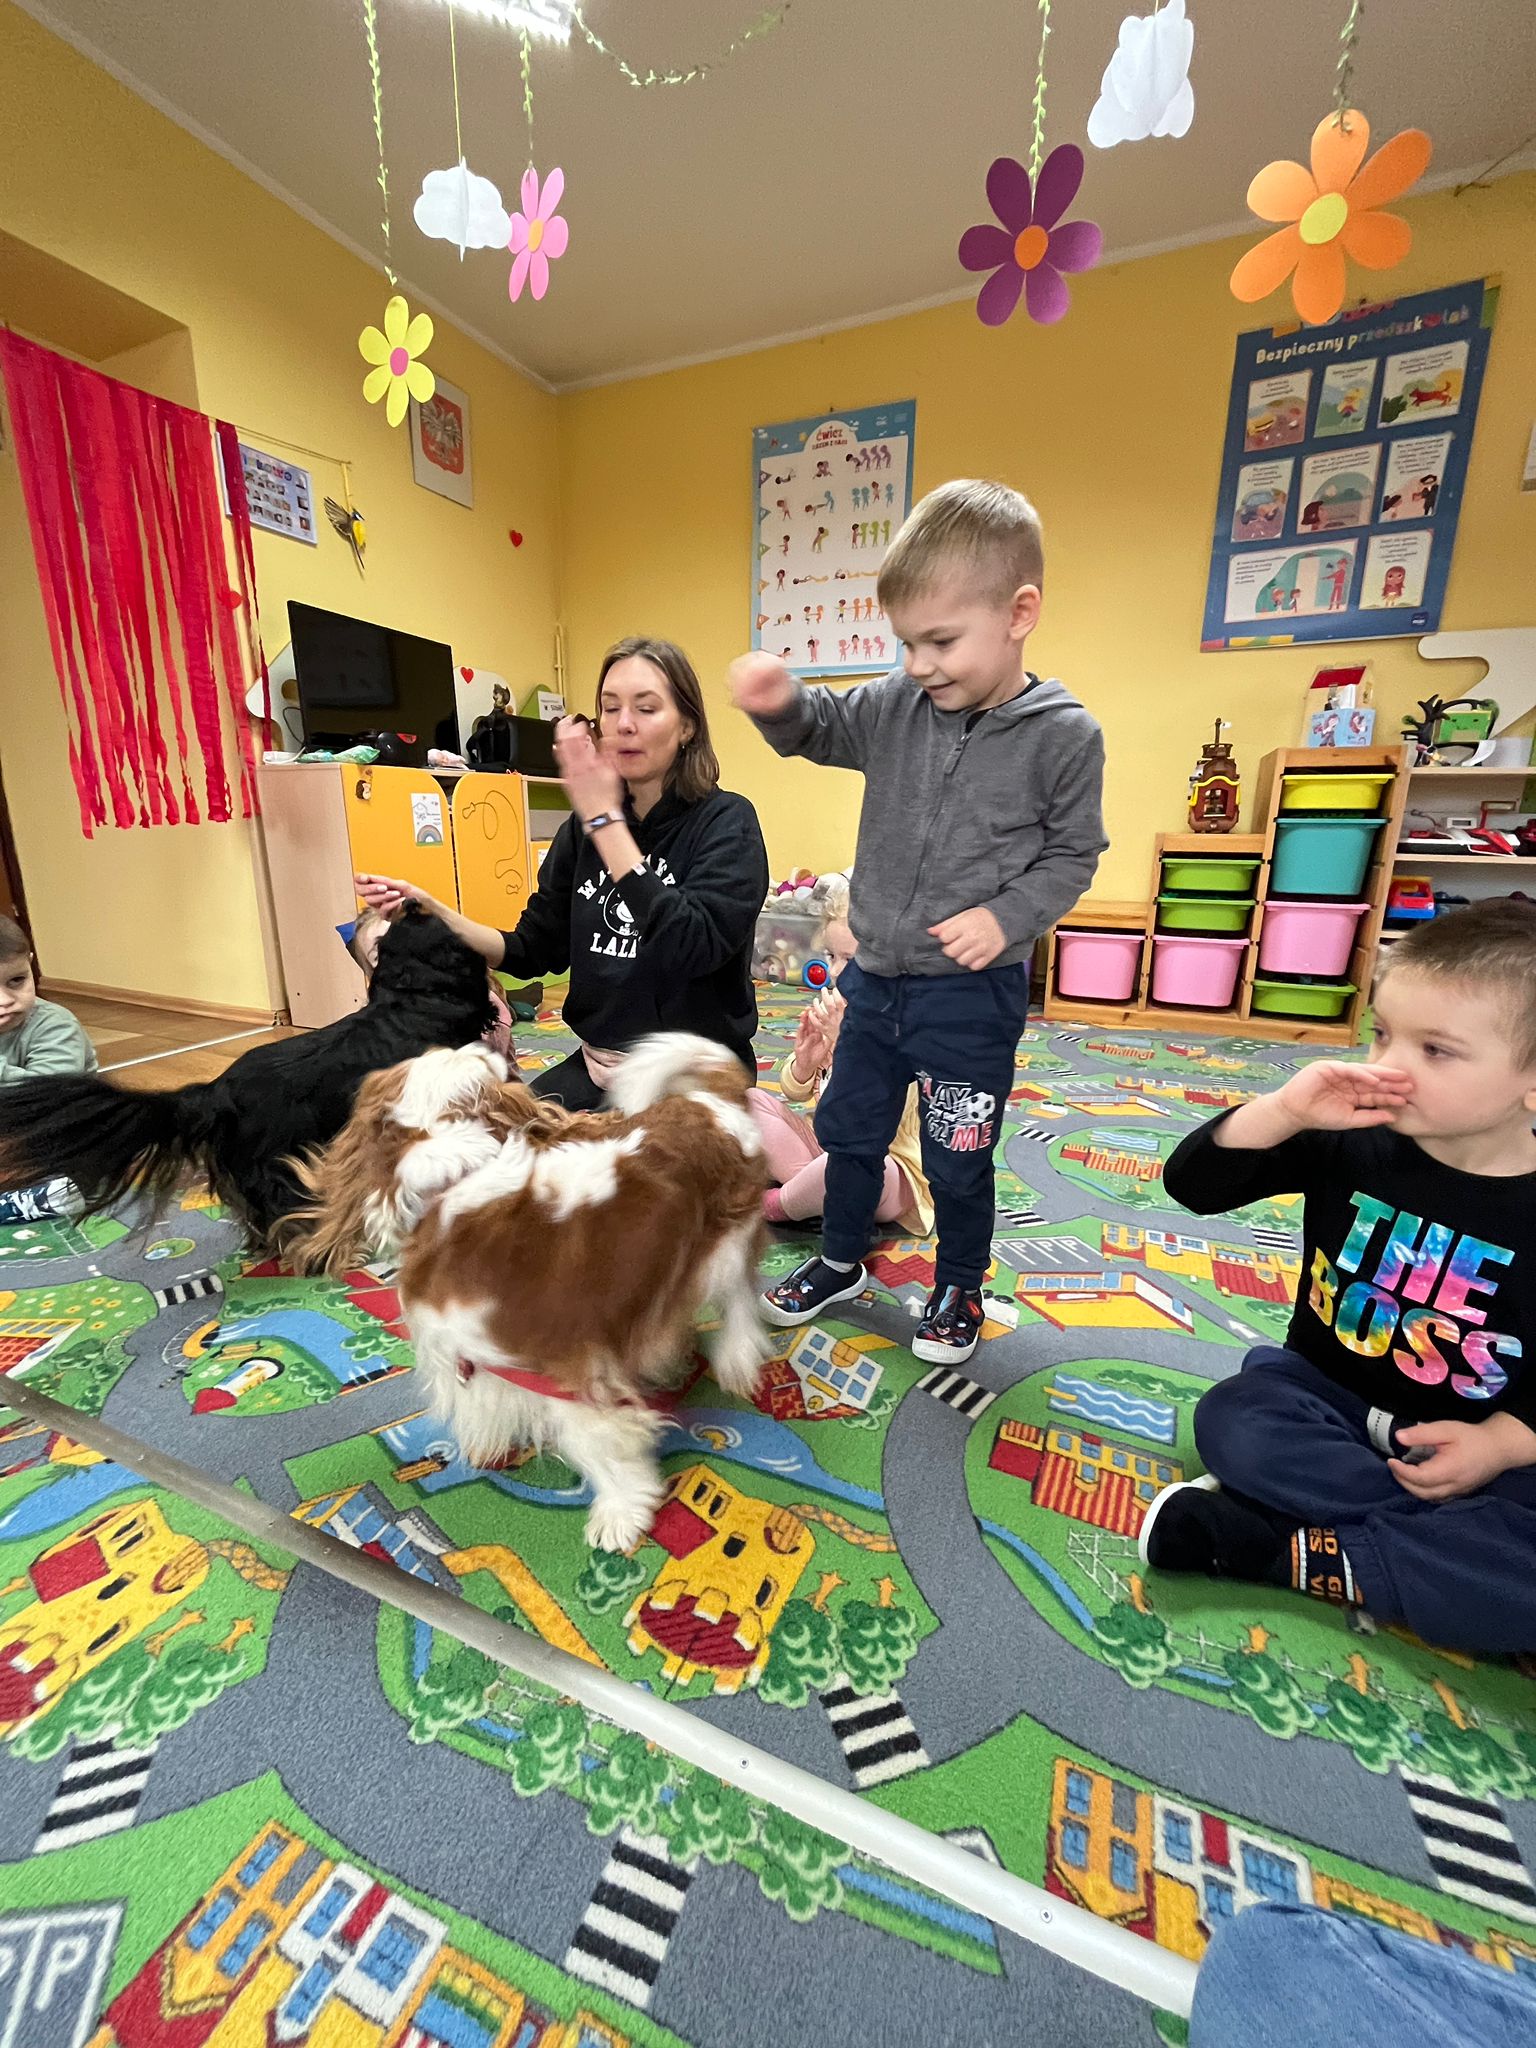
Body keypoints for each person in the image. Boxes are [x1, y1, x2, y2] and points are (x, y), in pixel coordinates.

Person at [731, 478, 1107, 1364]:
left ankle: (959, 1284)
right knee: (851, 1132)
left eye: (941, 641)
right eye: (906, 643)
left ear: (1019, 614)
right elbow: (823, 726)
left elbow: (1073, 855)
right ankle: (839, 1260)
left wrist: (1007, 918)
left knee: (957, 1153)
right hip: (875, 981)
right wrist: (781, 702)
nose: (920, 664)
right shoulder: (898, 703)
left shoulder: (1064, 735)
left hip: (971, 996)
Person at [1142, 900, 1536, 1655]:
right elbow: (1194, 1185)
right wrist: (1283, 1111)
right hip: (1324, 1399)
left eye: (1436, 1050)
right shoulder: (1350, 1138)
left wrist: (1499, 1446)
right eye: (1382, 1034)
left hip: (1480, 1441)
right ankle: (1420, 1552)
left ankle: (1287, 1549)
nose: (1388, 1066)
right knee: (1234, 1418)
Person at [357, 637, 769, 1110]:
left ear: (688, 726)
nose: (624, 724)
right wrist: (438, 914)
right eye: (610, 708)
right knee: (505, 1136)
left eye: (646, 708)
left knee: (625, 1160)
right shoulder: (583, 827)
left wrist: (604, 822)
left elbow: (689, 946)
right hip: (602, 1067)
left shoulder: (727, 821)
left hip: (694, 1079)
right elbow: (531, 949)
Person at [750, 876, 933, 1237]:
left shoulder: (907, 1024)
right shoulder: (839, 1006)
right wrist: (804, 1065)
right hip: (827, 1148)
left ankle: (782, 1204)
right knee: (750, 1102)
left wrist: (846, 1048)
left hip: (888, 1168)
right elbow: (796, 1091)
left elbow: (880, 1116)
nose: (835, 971)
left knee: (851, 1162)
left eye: (850, 960)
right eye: (831, 957)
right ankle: (816, 1194)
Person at [0, 914, 96, 1224]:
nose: (5, 1000)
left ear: (30, 964)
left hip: (53, 1128)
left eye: (17, 980)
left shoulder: (55, 1024)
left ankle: (30, 1199)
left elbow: (47, 1096)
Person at [345, 908, 537, 1060]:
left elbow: (479, 1072)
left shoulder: (480, 1004)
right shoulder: (381, 1018)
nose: (396, 957)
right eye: (379, 955)